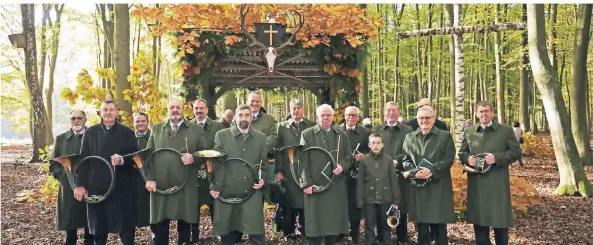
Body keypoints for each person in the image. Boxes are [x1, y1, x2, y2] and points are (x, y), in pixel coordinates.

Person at [74, 101, 138, 245]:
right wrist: (80, 185)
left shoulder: (127, 132)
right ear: (100, 112)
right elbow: (84, 160)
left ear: (117, 112)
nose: (108, 113)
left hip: (122, 187)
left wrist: (122, 159)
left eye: (111, 109)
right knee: (99, 231)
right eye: (105, 110)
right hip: (97, 186)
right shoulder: (90, 133)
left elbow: (135, 157)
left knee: (126, 230)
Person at [458, 101, 521, 245]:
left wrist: (497, 158)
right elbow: (462, 152)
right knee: (479, 222)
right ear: (476, 113)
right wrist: (468, 158)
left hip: (497, 182)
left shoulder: (505, 130)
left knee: (499, 222)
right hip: (477, 183)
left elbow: (516, 152)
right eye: (480, 111)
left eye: (486, 111)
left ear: (492, 112)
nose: (484, 114)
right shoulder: (470, 131)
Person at [144, 99, 206, 245]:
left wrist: (194, 158)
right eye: (172, 107)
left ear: (183, 109)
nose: (175, 110)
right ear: (168, 109)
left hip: (186, 183)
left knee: (184, 223)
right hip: (161, 184)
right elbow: (148, 156)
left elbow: (204, 152)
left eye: (178, 107)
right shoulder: (157, 128)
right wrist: (150, 178)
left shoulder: (196, 129)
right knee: (161, 223)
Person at [210, 104, 268, 245]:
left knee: (256, 235)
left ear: (252, 118)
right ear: (235, 117)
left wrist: (263, 180)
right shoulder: (222, 135)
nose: (244, 118)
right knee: (228, 234)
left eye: (247, 115)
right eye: (240, 115)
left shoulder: (260, 138)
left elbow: (264, 165)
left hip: (252, 192)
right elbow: (217, 163)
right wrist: (215, 186)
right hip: (228, 191)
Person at [402, 106, 456, 245]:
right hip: (419, 187)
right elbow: (406, 159)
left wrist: (432, 170)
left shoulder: (445, 136)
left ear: (433, 119)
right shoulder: (410, 137)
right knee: (422, 227)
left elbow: (449, 157)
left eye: (428, 118)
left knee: (439, 226)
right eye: (421, 118)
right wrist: (415, 172)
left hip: (439, 187)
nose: (424, 120)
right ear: (417, 119)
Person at [300, 104, 353, 245]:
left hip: (335, 185)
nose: (325, 118)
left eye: (328, 115)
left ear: (333, 116)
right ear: (317, 116)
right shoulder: (307, 134)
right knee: (314, 224)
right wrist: (307, 183)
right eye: (322, 115)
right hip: (315, 185)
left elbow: (349, 157)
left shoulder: (341, 134)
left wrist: (342, 165)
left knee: (333, 224)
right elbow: (302, 161)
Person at [372, 102, 413, 245]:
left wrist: (397, 161)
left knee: (400, 204)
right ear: (384, 112)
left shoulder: (407, 130)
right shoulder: (376, 129)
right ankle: (382, 236)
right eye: (388, 110)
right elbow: (372, 148)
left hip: (400, 173)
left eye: (394, 110)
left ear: (399, 112)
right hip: (380, 174)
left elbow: (409, 151)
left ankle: (401, 237)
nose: (391, 113)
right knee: (380, 203)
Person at [274, 99, 316, 239]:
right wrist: (278, 170)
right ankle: (288, 231)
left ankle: (306, 230)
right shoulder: (282, 126)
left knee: (306, 201)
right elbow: (278, 150)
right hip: (288, 170)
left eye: (298, 108)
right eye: (293, 108)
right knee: (288, 201)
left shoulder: (311, 125)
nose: (295, 110)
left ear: (303, 110)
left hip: (307, 170)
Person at [50, 110, 93, 245]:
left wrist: (89, 181)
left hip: (91, 188)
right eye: (73, 118)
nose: (76, 120)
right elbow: (53, 165)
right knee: (69, 232)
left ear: (85, 120)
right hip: (68, 190)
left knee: (91, 230)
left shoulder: (93, 136)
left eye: (79, 118)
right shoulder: (61, 139)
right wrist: (67, 180)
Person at [356, 133, 400, 245]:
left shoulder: (388, 160)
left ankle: (386, 242)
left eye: (378, 143)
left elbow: (393, 181)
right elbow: (360, 182)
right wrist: (360, 200)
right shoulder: (364, 160)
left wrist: (396, 200)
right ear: (369, 145)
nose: (376, 145)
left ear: (383, 145)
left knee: (385, 224)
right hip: (369, 198)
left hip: (385, 198)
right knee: (369, 224)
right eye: (373, 143)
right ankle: (370, 242)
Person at [190, 99, 224, 243]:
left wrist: (208, 161)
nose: (199, 111)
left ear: (207, 110)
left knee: (214, 202)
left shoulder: (217, 126)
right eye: (196, 108)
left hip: (213, 170)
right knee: (193, 203)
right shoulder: (188, 126)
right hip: (192, 172)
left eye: (201, 108)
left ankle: (218, 232)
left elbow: (221, 147)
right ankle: (194, 233)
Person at [338, 106, 370, 244]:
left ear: (358, 117)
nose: (350, 118)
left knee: (355, 205)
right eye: (348, 115)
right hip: (339, 173)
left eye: (353, 115)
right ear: (344, 116)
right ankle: (340, 232)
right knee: (339, 204)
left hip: (356, 174)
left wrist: (364, 156)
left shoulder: (365, 133)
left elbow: (373, 152)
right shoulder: (337, 130)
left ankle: (355, 233)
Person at [131, 112, 155, 241]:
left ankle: (155, 235)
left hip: (153, 178)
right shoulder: (129, 138)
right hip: (134, 179)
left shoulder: (154, 136)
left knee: (153, 209)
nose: (140, 124)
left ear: (147, 122)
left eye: (143, 121)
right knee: (133, 210)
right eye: (137, 121)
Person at [248, 91, 278, 185]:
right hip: (243, 160)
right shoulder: (240, 117)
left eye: (258, 101)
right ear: (247, 101)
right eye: (252, 101)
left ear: (261, 102)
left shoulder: (269, 119)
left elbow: (273, 137)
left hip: (263, 162)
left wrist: (258, 149)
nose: (255, 104)